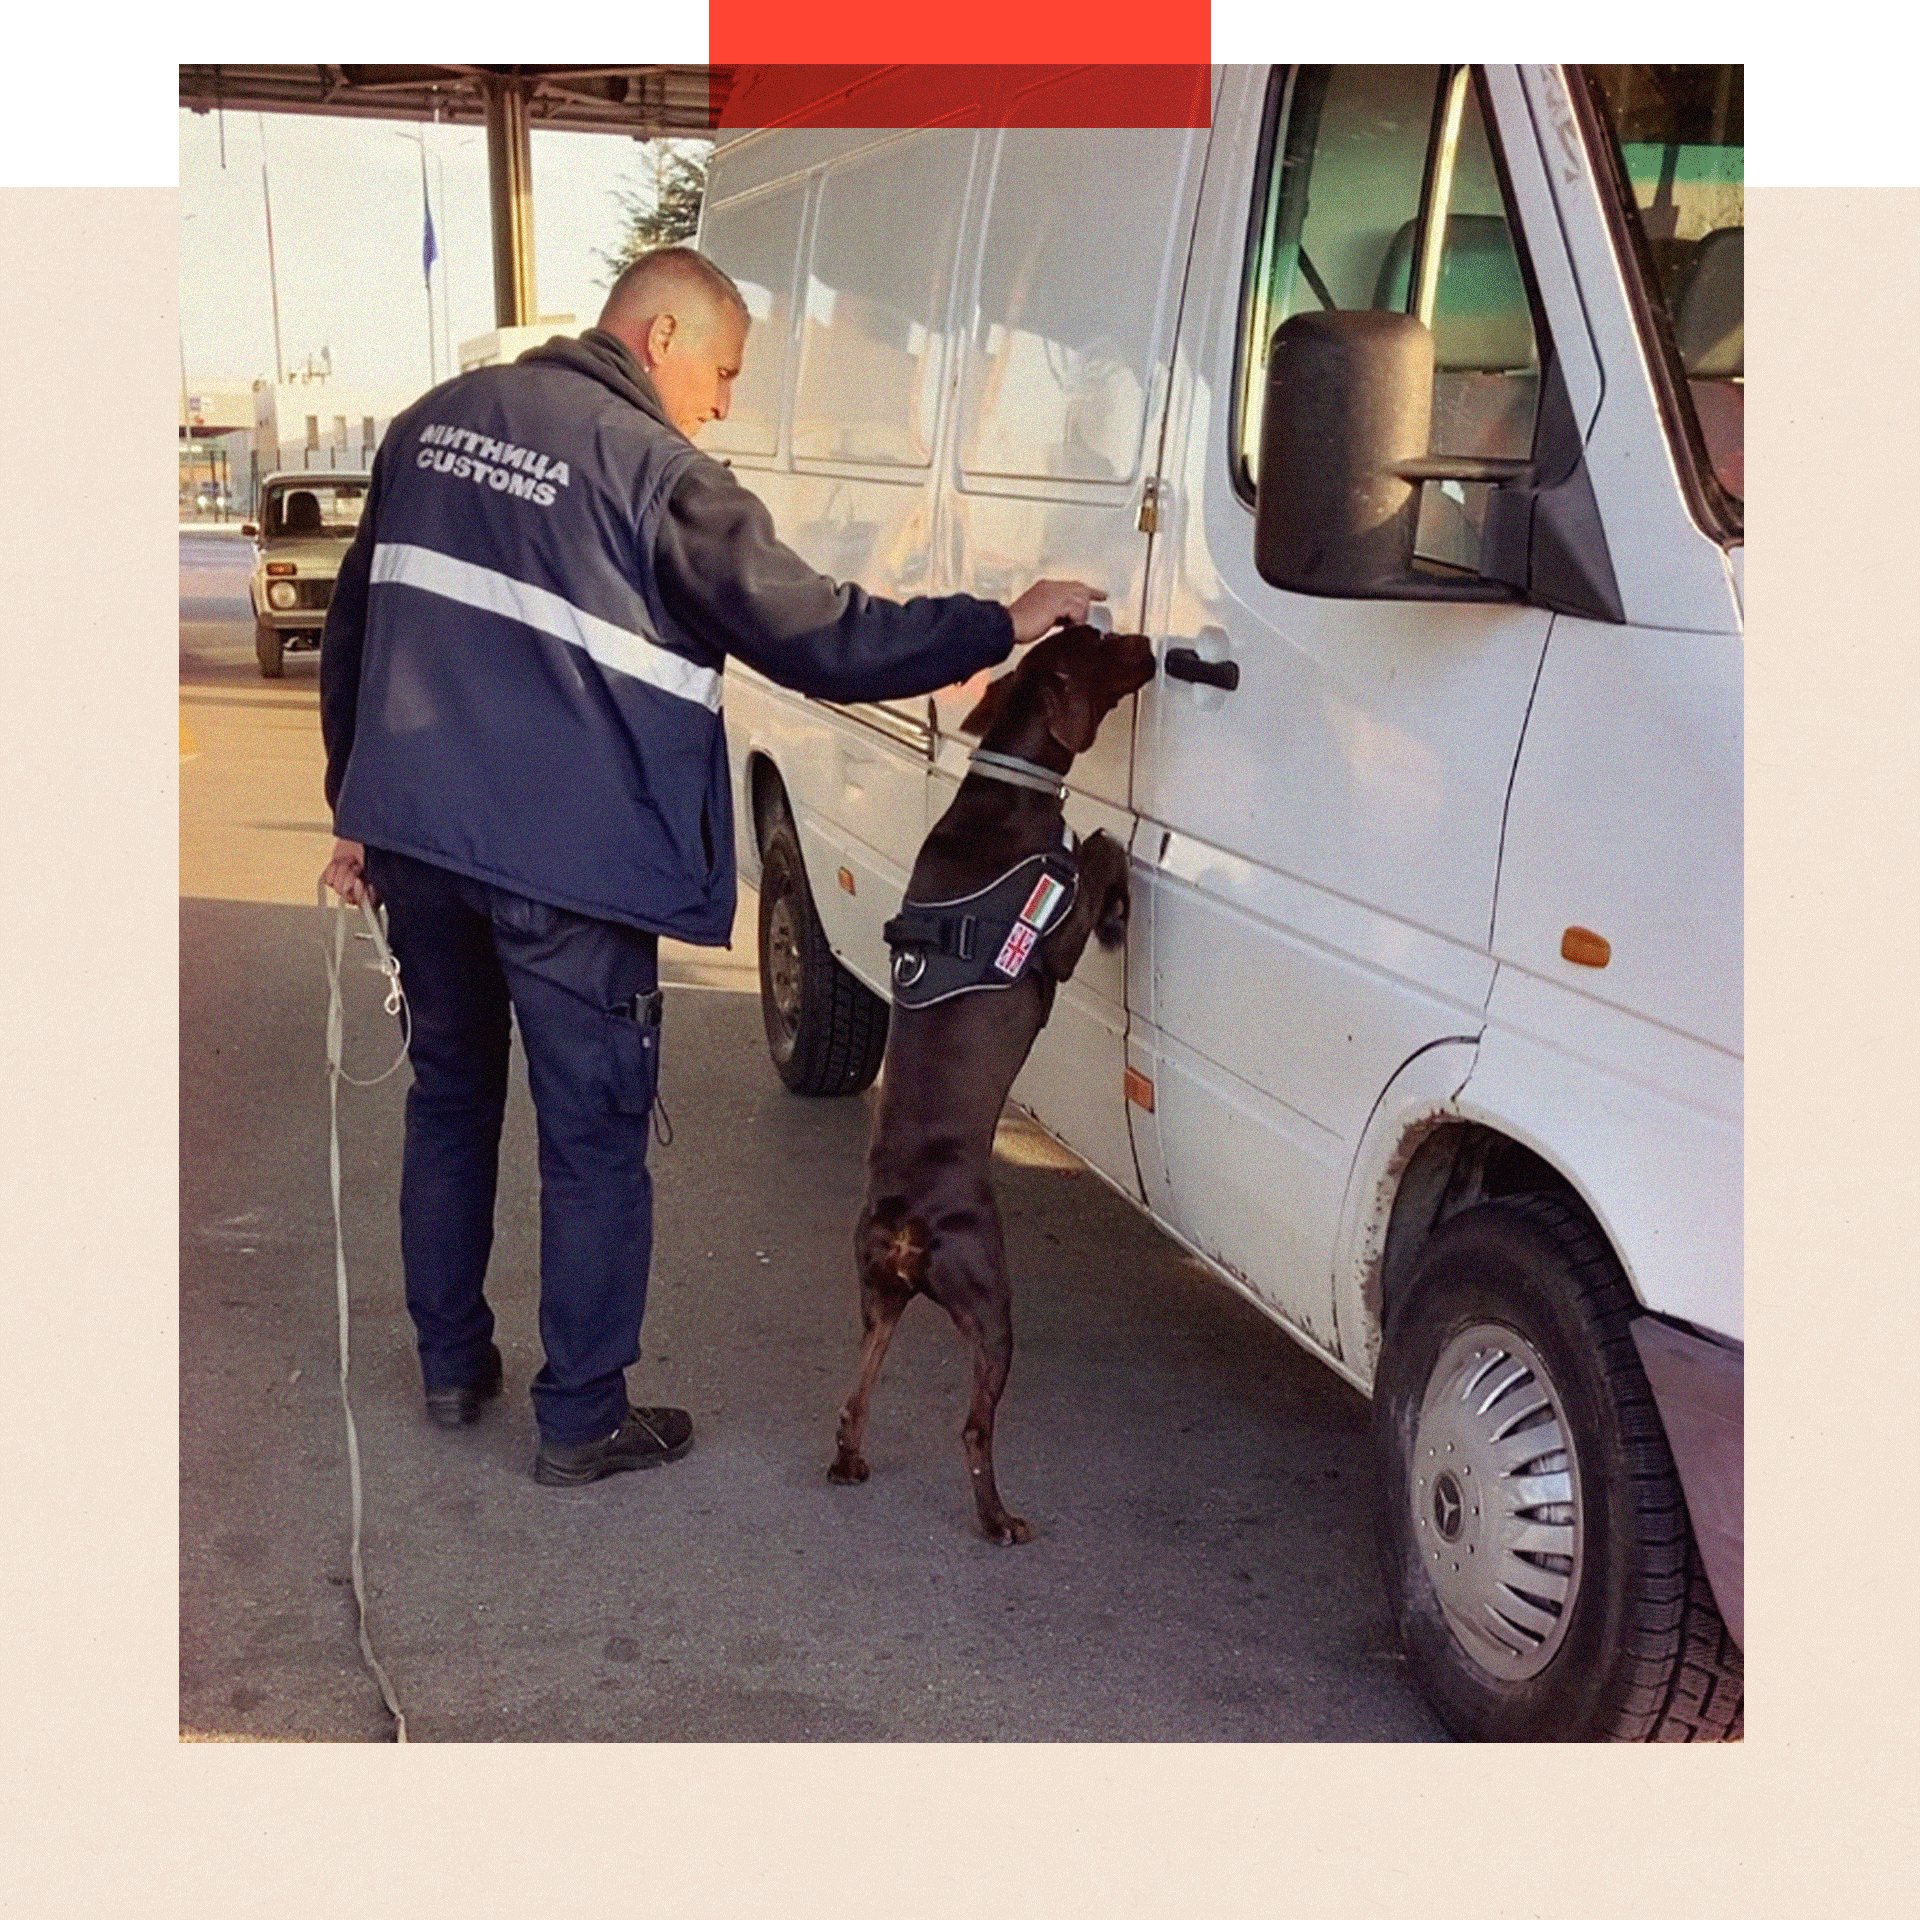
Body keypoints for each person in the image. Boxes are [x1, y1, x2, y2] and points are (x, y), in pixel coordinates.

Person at [319, 245, 1103, 1487]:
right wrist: (999, 623)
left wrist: (350, 807)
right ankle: (579, 1418)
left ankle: (452, 1366)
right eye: (724, 372)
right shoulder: (658, 474)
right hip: (564, 867)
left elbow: (359, 622)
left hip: (418, 841)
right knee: (590, 1138)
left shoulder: (431, 425)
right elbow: (824, 633)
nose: (725, 404)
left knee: (452, 1101)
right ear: (662, 335)